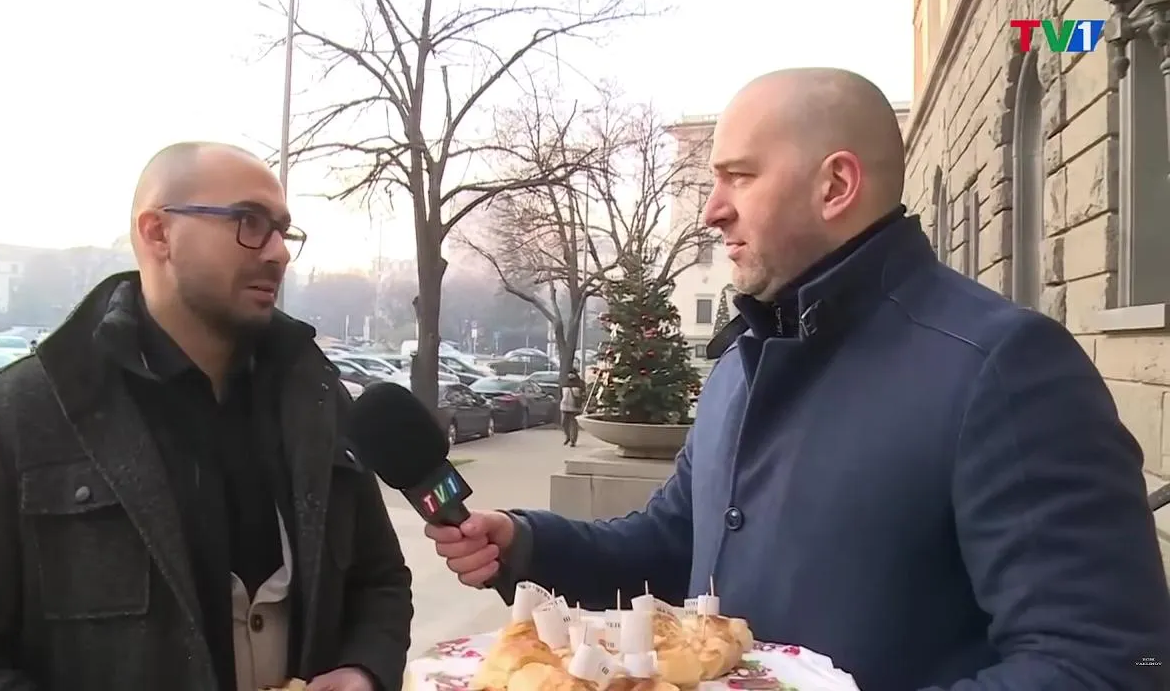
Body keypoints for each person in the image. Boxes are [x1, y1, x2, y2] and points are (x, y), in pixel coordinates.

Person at [426, 69, 1170, 690]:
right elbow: (672, 543)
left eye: (739, 177)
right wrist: (526, 544)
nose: (712, 211)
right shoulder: (739, 365)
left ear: (836, 184)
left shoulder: (1002, 367)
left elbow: (1107, 662)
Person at [0, 142, 413, 691]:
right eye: (250, 222)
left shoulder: (319, 399)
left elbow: (380, 580)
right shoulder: (21, 412)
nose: (278, 252)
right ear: (158, 232)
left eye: (284, 230)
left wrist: (364, 671)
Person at [558, 369, 585, 446]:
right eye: (569, 373)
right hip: (564, 406)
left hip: (575, 407)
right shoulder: (564, 383)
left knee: (573, 424)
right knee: (564, 423)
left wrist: (582, 402)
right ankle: (568, 436)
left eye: (572, 374)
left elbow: (583, 395)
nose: (570, 375)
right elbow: (560, 394)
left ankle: (573, 441)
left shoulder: (580, 383)